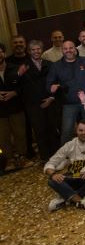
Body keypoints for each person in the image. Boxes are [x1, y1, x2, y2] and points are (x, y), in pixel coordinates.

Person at [44, 120, 85, 211]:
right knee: (51, 180)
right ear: (76, 130)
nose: (83, 133)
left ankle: (66, 197)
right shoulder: (69, 145)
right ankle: (79, 200)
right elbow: (50, 163)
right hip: (75, 175)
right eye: (81, 130)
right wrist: (53, 174)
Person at [47, 40, 85, 144]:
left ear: (75, 49)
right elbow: (49, 84)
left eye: (71, 48)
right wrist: (51, 88)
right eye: (65, 49)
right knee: (67, 131)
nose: (68, 50)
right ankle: (65, 155)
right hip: (69, 104)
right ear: (62, 51)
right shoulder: (56, 66)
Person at [16, 39, 59, 161]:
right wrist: (19, 74)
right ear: (29, 51)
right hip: (33, 105)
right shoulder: (23, 66)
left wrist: (51, 98)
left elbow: (56, 82)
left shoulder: (50, 64)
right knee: (40, 131)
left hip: (50, 101)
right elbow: (16, 85)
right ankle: (45, 158)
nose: (36, 51)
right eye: (33, 49)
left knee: (52, 128)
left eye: (38, 49)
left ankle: (57, 156)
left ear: (42, 49)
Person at [0, 42, 31, 170]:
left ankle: (22, 158)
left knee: (20, 134)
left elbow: (25, 86)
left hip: (16, 107)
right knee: (3, 137)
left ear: (4, 53)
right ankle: (9, 160)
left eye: (0, 52)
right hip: (0, 112)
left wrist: (14, 92)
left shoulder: (15, 68)